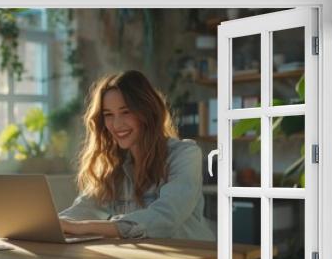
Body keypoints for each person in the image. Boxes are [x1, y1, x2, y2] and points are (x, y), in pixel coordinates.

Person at [59, 70, 215, 241]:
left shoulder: (185, 154)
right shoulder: (113, 165)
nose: (117, 124)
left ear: (147, 112)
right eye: (108, 115)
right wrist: (51, 224)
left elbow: (165, 217)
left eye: (126, 112)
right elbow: (83, 209)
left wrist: (81, 228)